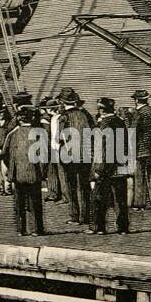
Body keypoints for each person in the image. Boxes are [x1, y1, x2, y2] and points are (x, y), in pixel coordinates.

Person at [0, 104, 47, 236]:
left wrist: (11, 168)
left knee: (19, 203)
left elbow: (4, 154)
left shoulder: (12, 134)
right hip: (34, 173)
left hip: (17, 174)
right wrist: (42, 173)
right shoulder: (39, 133)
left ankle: (21, 229)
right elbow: (44, 155)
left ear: (19, 120)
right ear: (31, 119)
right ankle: (37, 229)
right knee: (35, 203)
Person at [89, 97, 130, 235]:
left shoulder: (104, 125)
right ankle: (122, 228)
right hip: (120, 165)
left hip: (106, 167)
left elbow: (102, 149)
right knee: (120, 199)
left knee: (98, 198)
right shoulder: (120, 122)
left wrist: (99, 169)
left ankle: (98, 227)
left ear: (101, 110)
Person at [56, 87, 94, 226]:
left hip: (69, 156)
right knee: (84, 186)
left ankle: (75, 216)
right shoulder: (86, 115)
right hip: (85, 155)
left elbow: (59, 137)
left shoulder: (63, 117)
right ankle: (87, 216)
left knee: (71, 187)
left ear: (62, 102)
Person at [130, 90, 151, 210]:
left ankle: (139, 203)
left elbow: (133, 132)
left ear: (136, 100)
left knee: (139, 177)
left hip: (140, 150)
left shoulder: (137, 113)